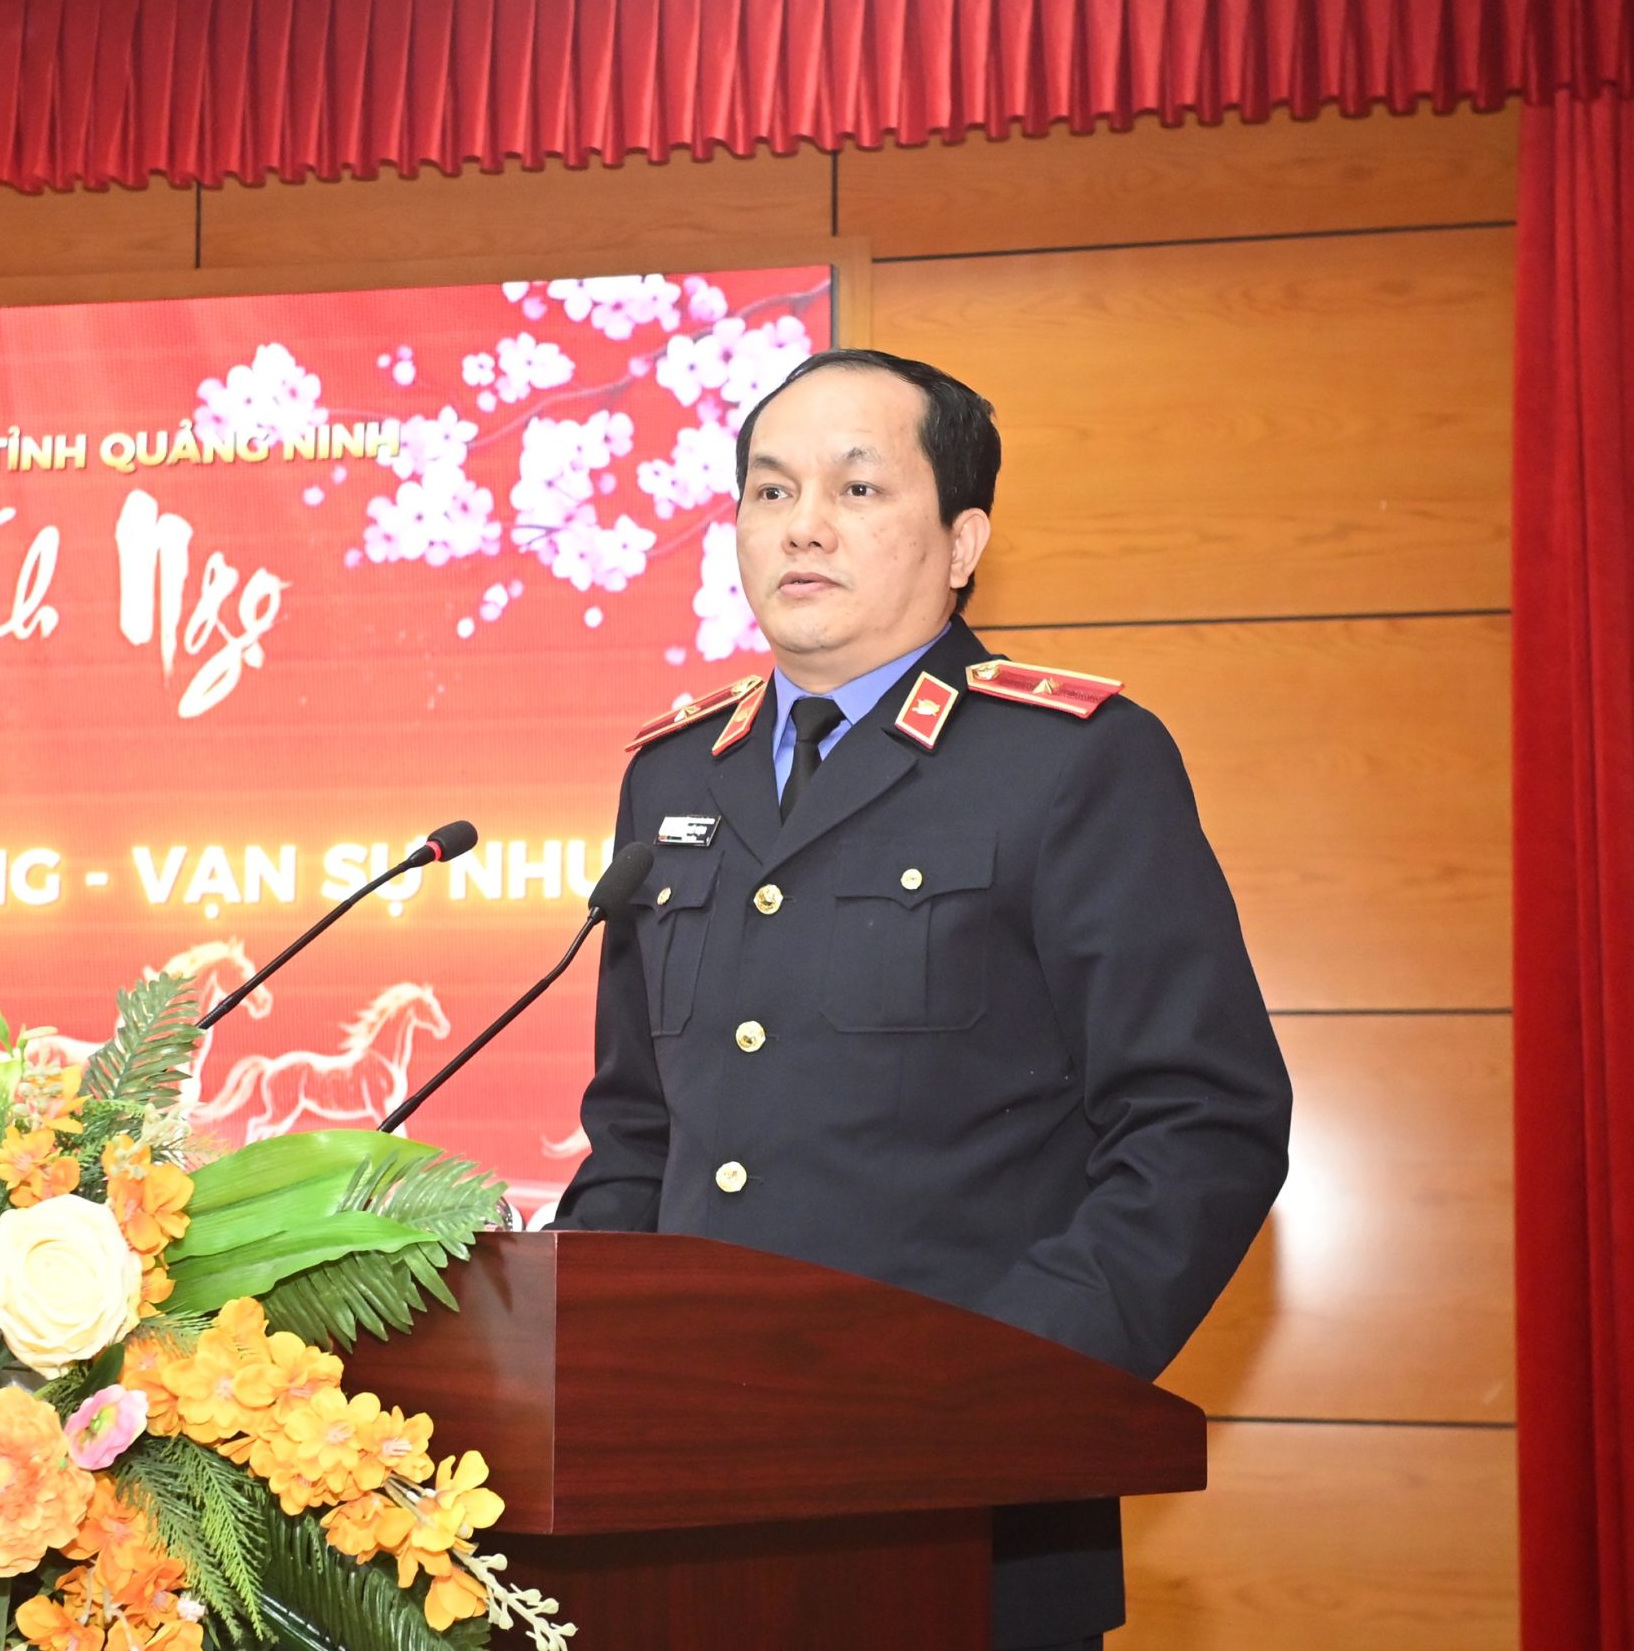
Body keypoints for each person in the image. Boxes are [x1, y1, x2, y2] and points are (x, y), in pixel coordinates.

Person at [551, 348, 1292, 1651]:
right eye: (770, 490)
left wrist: (1000, 1386)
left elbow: (1203, 1124)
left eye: (857, 487)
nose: (803, 526)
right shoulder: (673, 779)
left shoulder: (1068, 762)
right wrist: (582, 1375)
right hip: (674, 1519)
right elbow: (637, 1135)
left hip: (966, 1518)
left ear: (963, 542)